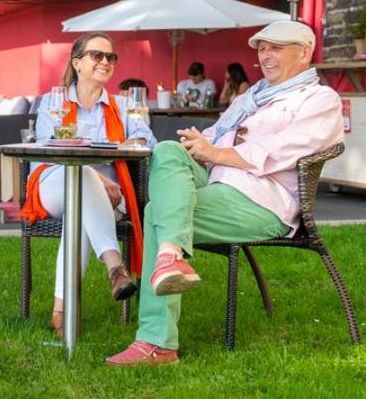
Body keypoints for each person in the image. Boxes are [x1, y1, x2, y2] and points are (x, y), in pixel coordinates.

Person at [107, 20, 343, 366]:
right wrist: (198, 143)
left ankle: (158, 341)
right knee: (168, 150)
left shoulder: (319, 99)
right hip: (218, 180)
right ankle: (170, 258)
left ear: (305, 52)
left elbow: (280, 152)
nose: (265, 56)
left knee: (158, 213)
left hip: (263, 200)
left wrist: (216, 153)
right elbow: (216, 134)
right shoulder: (251, 97)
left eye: (276, 48)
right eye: (262, 49)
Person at [20, 32, 156, 339]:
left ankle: (61, 313)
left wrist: (134, 139)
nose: (105, 61)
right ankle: (115, 267)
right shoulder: (54, 101)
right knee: (80, 176)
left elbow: (147, 140)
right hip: (52, 185)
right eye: (97, 55)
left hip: (110, 198)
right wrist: (96, 174)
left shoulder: (123, 105)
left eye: (110, 57)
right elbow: (51, 149)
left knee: (79, 207)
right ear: (77, 63)